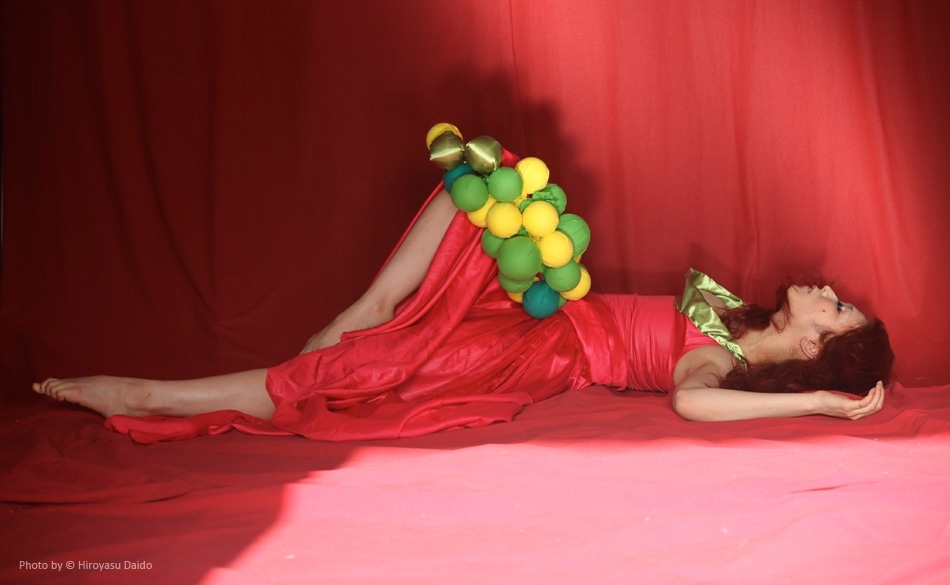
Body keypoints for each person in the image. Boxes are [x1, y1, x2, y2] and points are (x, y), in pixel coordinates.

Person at [32, 180, 894, 442]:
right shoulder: (735, 315)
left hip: (541, 350)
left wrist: (818, 403)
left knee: (367, 371)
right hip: (544, 303)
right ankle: (371, 302)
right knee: (490, 178)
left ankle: (150, 395)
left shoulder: (726, 365)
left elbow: (690, 402)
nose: (831, 292)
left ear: (814, 344)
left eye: (840, 310)